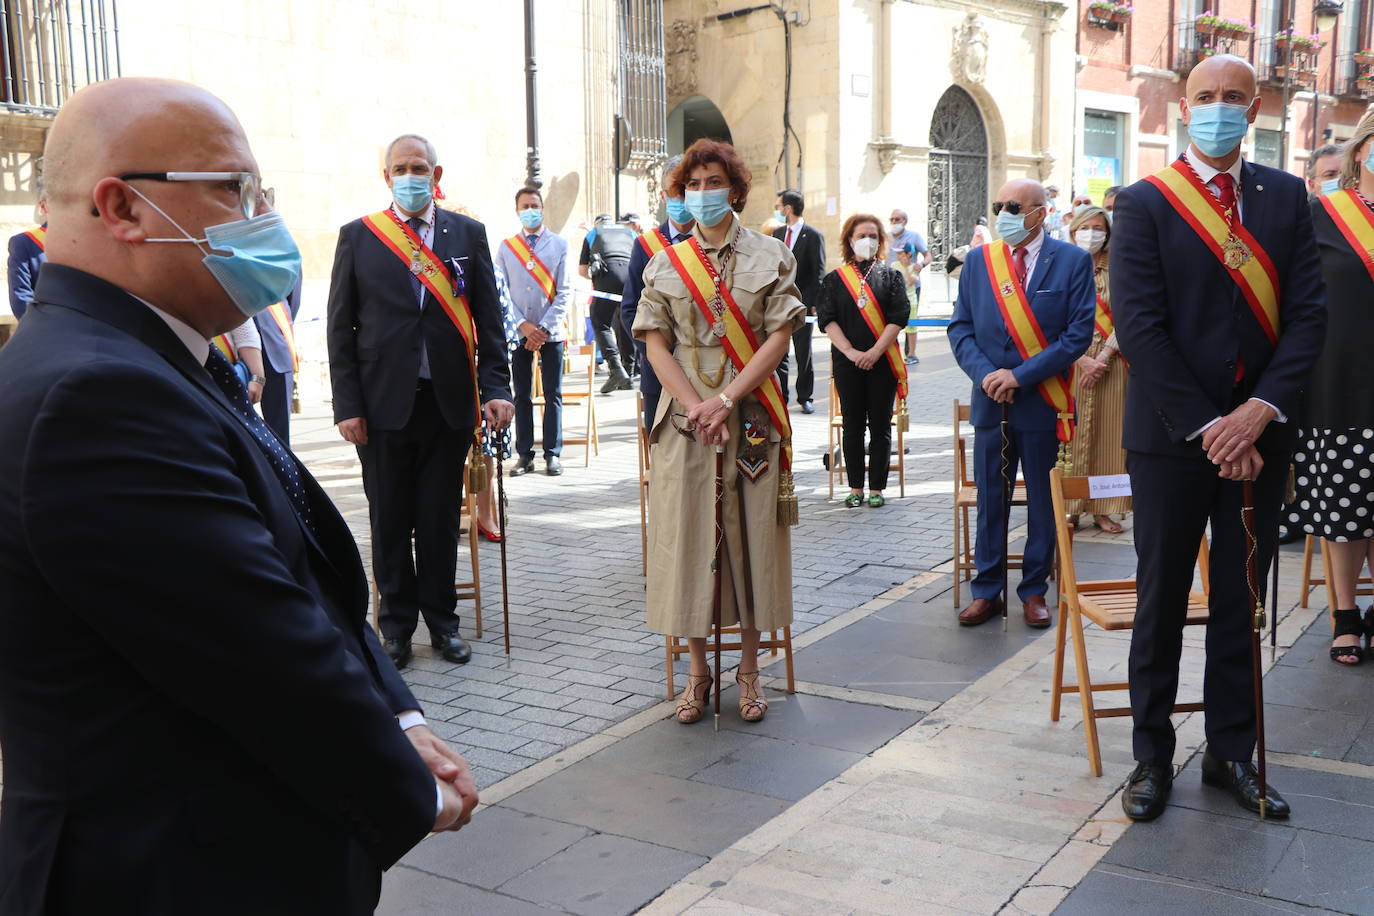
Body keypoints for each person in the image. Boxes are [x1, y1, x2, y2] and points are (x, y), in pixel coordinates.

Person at [0, 77, 480, 913]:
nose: (262, 215)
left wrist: (401, 718)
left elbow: (302, 571)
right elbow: (261, 647)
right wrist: (404, 784)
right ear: (123, 209)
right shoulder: (96, 396)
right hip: (169, 871)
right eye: (234, 189)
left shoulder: (150, 353)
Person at [1110, 54, 1326, 822]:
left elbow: (1309, 317)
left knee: (1243, 599)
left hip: (1259, 439)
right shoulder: (1143, 203)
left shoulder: (1287, 196)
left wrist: (1257, 412)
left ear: (1257, 105)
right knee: (1161, 600)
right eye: (1206, 97)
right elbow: (1139, 327)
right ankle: (1151, 758)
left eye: (1234, 97)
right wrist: (1213, 427)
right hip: (1174, 441)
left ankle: (1232, 751)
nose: (1220, 108)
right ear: (1183, 107)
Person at [327, 133, 514, 670]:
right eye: (401, 168)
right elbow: (341, 329)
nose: (412, 176)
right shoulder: (359, 238)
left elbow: (489, 323)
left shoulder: (467, 234)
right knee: (390, 519)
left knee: (436, 521)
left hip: (448, 404)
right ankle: (395, 629)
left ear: (436, 174)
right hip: (381, 406)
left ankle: (444, 624)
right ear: (387, 177)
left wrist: (497, 388)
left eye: (420, 167)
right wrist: (347, 405)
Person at [635, 138, 803, 725]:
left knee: (753, 541)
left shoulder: (772, 254)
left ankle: (750, 672)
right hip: (684, 425)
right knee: (687, 546)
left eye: (714, 182)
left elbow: (779, 336)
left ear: (736, 188)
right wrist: (696, 405)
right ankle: (698, 673)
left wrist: (727, 399)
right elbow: (655, 343)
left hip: (752, 419)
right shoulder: (664, 261)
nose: (704, 194)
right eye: (693, 185)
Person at [947, 178, 1095, 629]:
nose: (1003, 213)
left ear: (1040, 212)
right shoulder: (979, 262)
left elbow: (1077, 335)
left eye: (1013, 205)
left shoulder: (1072, 261)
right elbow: (961, 328)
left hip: (1042, 402)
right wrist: (988, 375)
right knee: (993, 500)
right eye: (999, 204)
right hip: (992, 402)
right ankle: (986, 591)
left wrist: (1020, 375)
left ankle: (1034, 590)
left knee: (1042, 506)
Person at [1292, 115, 1374, 665]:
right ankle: (1345, 616)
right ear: (1362, 149)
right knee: (1345, 513)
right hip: (1340, 384)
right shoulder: (1323, 215)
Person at [818, 214, 908, 508]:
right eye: (861, 235)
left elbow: (898, 318)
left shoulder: (891, 277)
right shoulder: (834, 279)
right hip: (848, 362)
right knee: (852, 425)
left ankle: (877, 488)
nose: (867, 241)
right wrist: (852, 352)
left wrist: (875, 352)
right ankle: (856, 487)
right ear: (850, 240)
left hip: (882, 362)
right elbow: (827, 320)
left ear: (881, 241)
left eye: (873, 235)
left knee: (881, 426)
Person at [495, 186, 572, 476]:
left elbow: (564, 291)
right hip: (518, 332)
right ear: (517, 210)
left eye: (535, 205)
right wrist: (522, 326)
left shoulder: (560, 244)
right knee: (521, 395)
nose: (530, 209)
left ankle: (553, 453)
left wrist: (542, 328)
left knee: (553, 393)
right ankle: (524, 454)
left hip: (551, 332)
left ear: (542, 208)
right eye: (525, 205)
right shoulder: (506, 247)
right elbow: (501, 290)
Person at [1065, 205, 1130, 533]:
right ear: (1073, 230)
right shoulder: (1060, 267)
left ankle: (1105, 509)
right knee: (1070, 437)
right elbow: (1050, 320)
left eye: (1098, 227)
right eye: (1085, 226)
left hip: (1112, 363)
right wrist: (1080, 359)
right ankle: (1070, 506)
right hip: (1069, 365)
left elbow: (1130, 313)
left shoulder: (1118, 268)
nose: (1091, 232)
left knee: (1109, 437)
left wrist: (1103, 357)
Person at [622, 154, 695, 429]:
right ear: (663, 197)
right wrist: (658, 353)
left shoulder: (714, 243)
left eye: (685, 190)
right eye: (672, 192)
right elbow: (630, 311)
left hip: (709, 374)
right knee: (663, 459)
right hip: (659, 375)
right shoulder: (645, 245)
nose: (680, 198)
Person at [772, 189, 824, 414]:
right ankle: (781, 396)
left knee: (803, 352)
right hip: (779, 304)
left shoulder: (813, 235)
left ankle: (805, 396)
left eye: (778, 206)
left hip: (802, 304)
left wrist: (815, 303)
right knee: (779, 351)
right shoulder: (777, 233)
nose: (777, 210)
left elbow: (818, 272)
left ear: (788, 209)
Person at [579, 213, 636, 391]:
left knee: (600, 320)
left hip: (607, 274)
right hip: (630, 274)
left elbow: (582, 270)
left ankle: (615, 368)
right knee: (625, 320)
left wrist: (595, 279)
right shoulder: (630, 232)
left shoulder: (593, 233)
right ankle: (629, 369)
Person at [252, 275, 302, 442]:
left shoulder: (283, 248)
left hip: (275, 343)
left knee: (280, 435)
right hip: (233, 347)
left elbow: (292, 297)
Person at [887, 208, 930, 364]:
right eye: (891, 219)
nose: (893, 222)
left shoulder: (914, 236)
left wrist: (921, 264)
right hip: (892, 286)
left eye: (897, 219)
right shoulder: (886, 237)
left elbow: (928, 254)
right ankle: (894, 352)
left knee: (911, 321)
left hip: (911, 287)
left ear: (904, 221)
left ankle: (910, 353)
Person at [7, 179, 47, 318]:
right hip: (44, 329)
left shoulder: (89, 240)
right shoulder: (25, 242)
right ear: (43, 206)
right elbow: (21, 296)